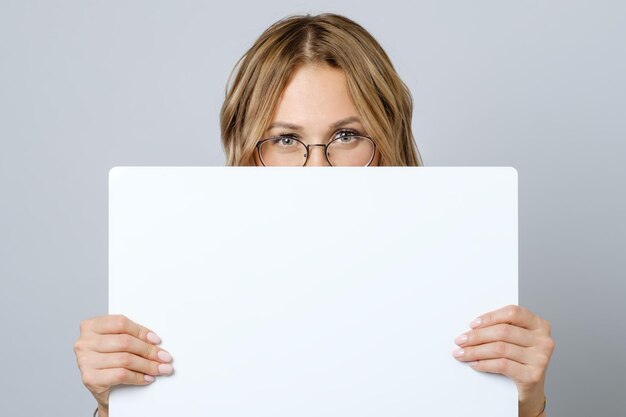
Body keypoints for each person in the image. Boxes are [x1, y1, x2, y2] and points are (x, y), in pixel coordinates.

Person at [73, 12, 555, 417]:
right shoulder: (183, 287)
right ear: (247, 151)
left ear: (387, 140)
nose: (318, 167)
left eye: (346, 136)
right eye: (285, 139)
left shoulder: (456, 279)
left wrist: (525, 404)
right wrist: (113, 404)